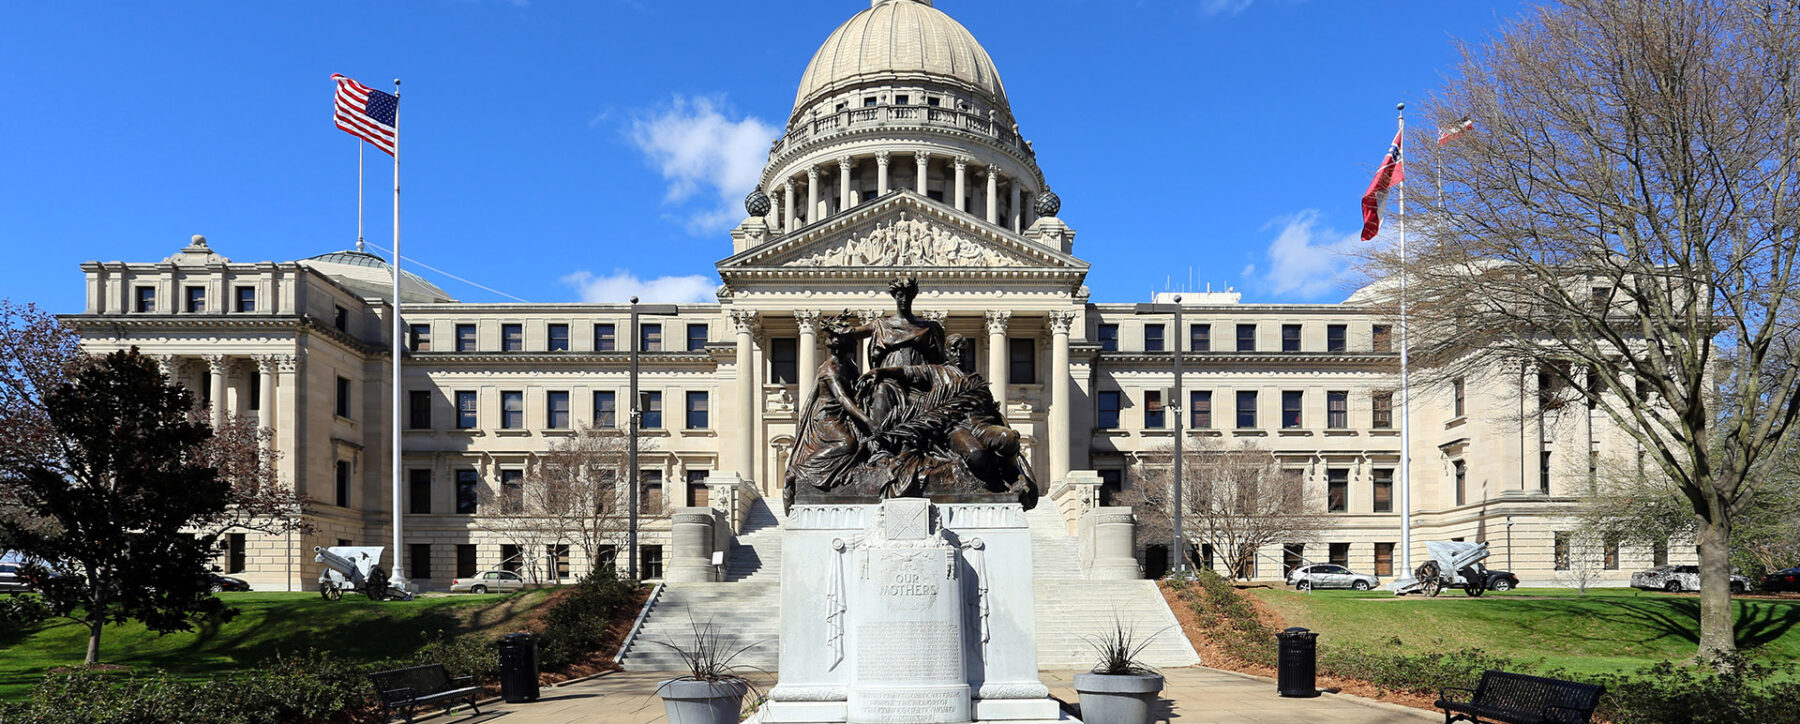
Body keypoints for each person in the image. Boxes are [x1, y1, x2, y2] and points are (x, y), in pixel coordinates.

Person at [783, 316, 878, 509]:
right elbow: (844, 400)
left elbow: (856, 390)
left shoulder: (849, 365)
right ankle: (797, 471)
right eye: (851, 340)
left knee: (863, 446)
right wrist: (868, 421)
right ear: (840, 344)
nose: (855, 342)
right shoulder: (830, 369)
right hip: (826, 417)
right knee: (847, 444)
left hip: (842, 414)